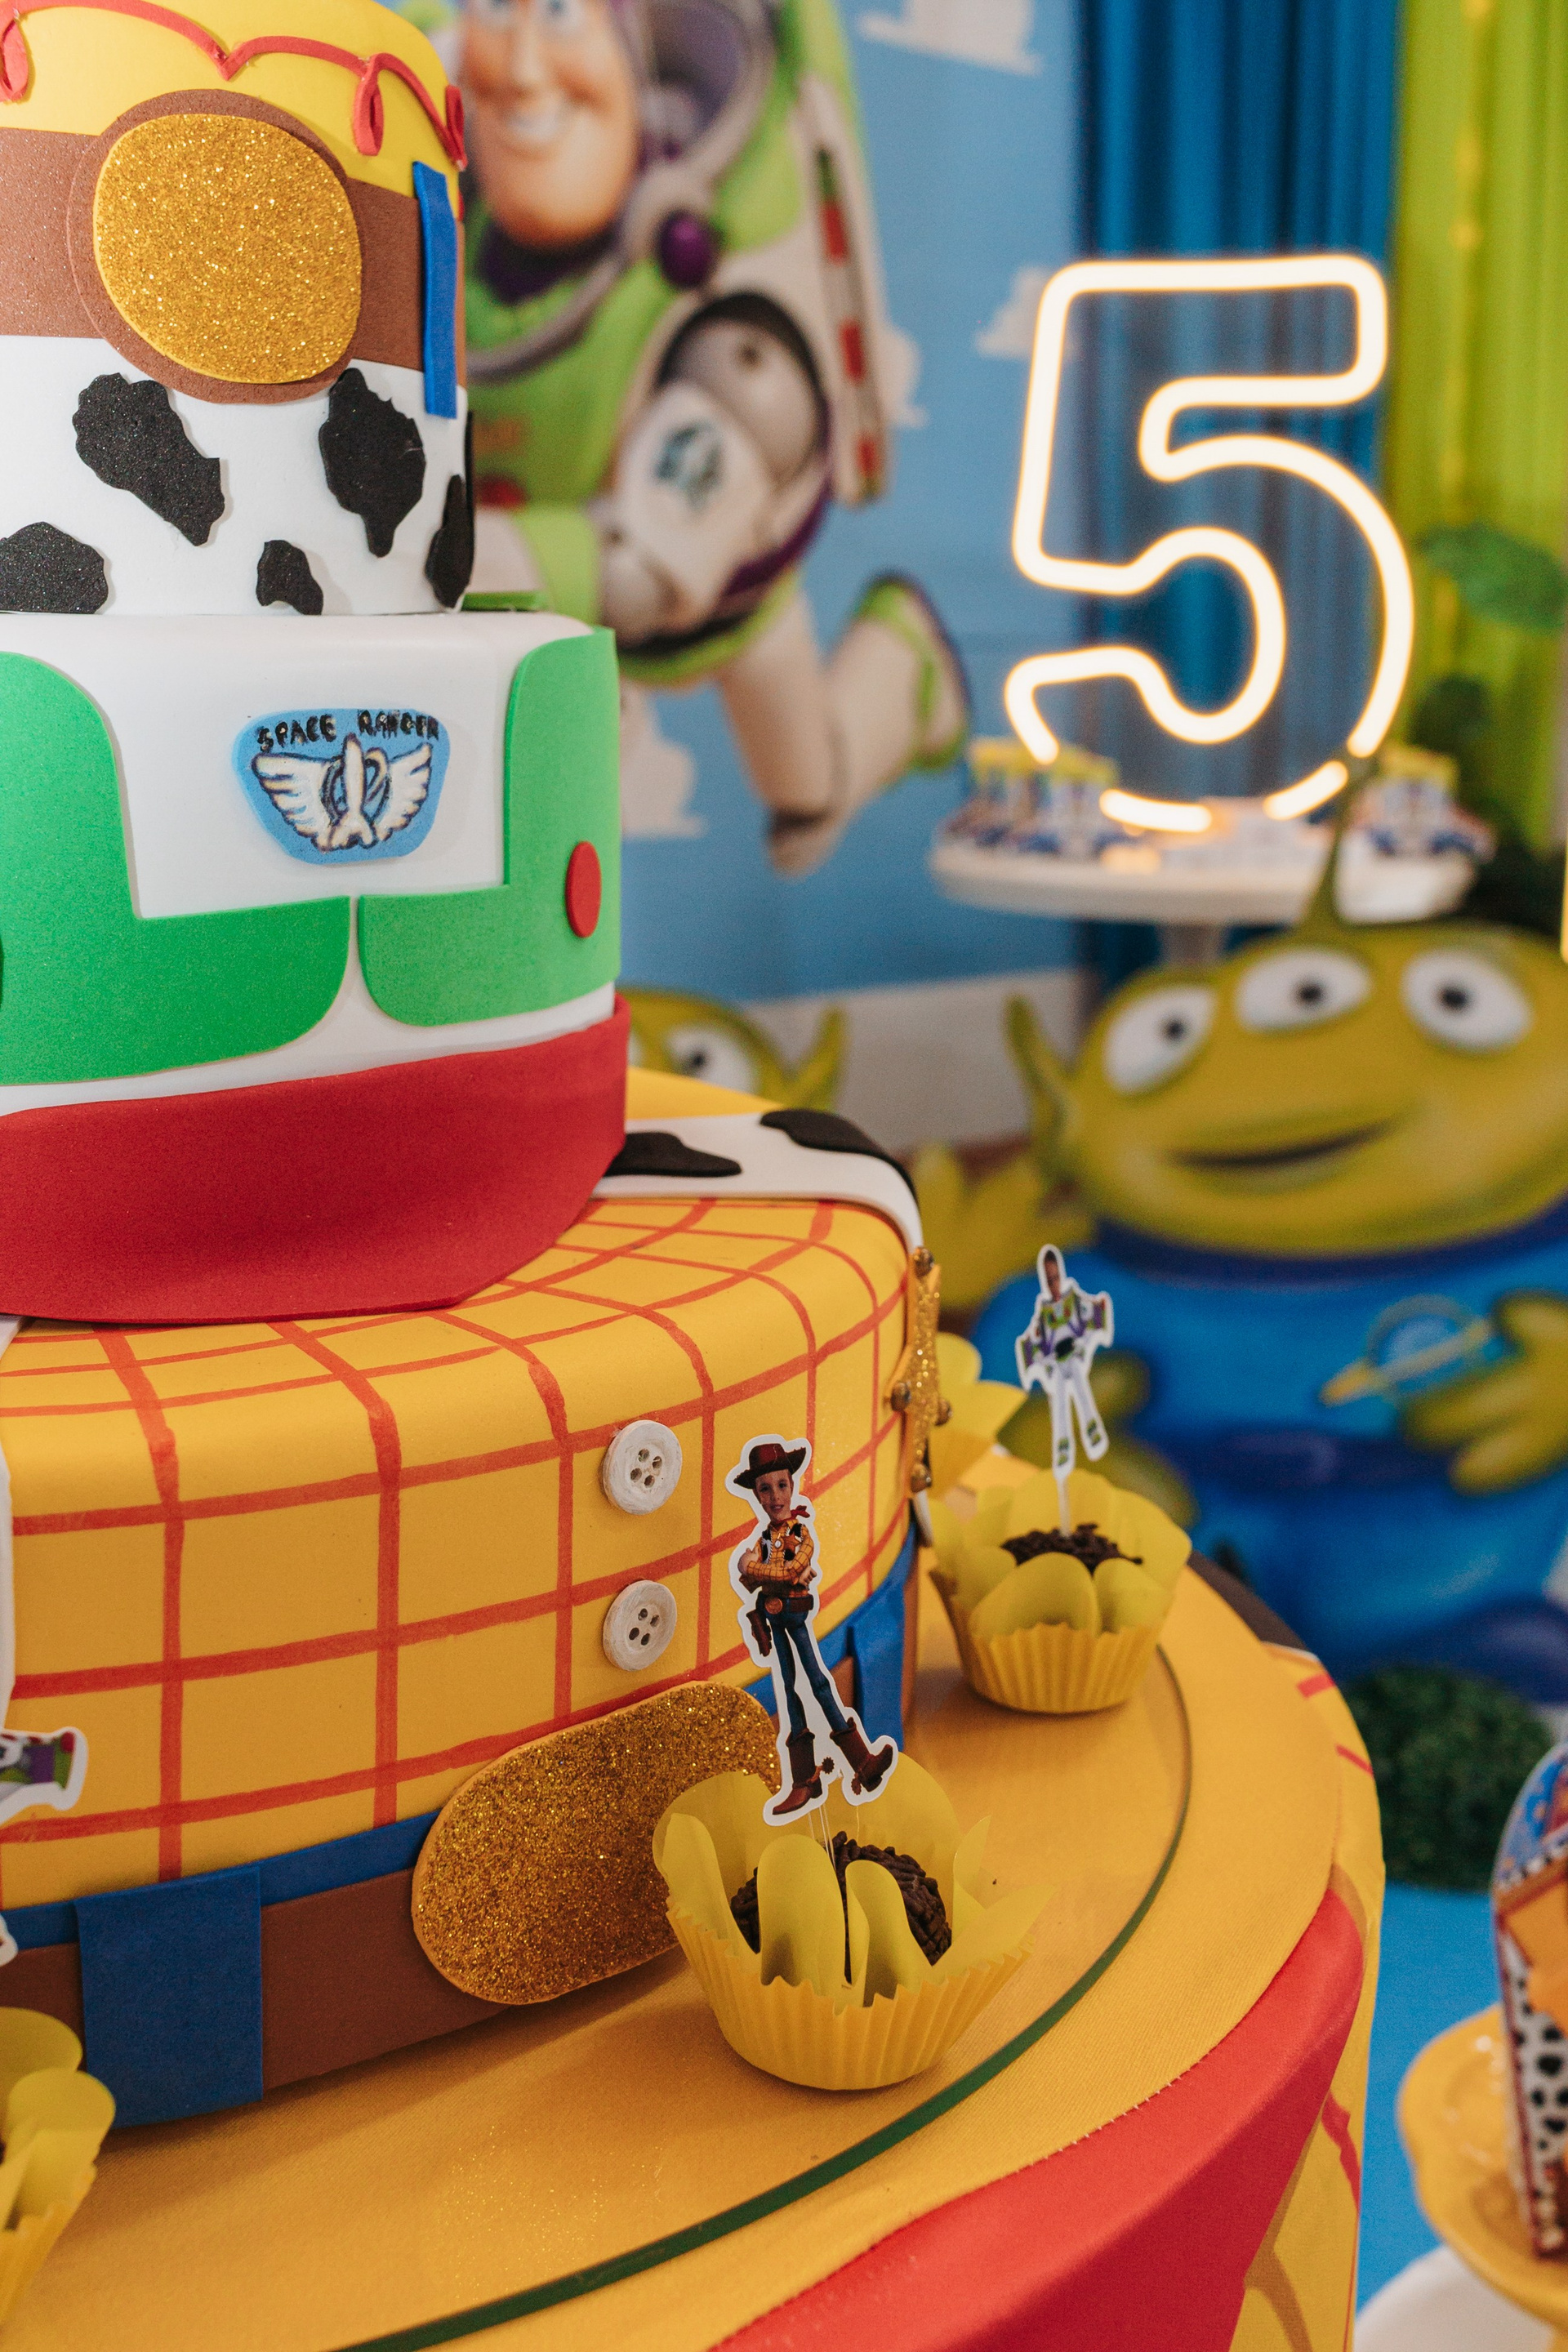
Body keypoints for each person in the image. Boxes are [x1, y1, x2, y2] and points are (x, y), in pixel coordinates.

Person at [458, 0, 968, 873]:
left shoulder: (727, 345)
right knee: (545, 826)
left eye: (560, 15)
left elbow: (638, 575)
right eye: (497, 13)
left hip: (724, 614)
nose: (523, 65)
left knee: (806, 806)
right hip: (561, 643)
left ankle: (907, 663)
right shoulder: (465, 281)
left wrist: (465, 558)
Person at [728, 1437, 896, 1820]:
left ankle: (862, 1762)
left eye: (781, 1485)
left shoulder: (800, 1533)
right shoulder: (764, 1539)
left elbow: (789, 1571)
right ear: (756, 1495)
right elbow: (753, 1582)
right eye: (765, 1489)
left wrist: (753, 1567)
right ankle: (804, 1780)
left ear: (793, 1484)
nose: (775, 1496)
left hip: (795, 1613)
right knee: (787, 1691)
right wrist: (756, 1572)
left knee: (818, 1681)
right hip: (773, 1618)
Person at [1014, 1245, 1113, 1482]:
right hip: (1057, 1362)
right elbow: (1037, 1342)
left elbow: (1090, 1314)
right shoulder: (1044, 1313)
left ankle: (1092, 1430)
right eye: (1049, 1280)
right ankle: (1062, 1446)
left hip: (1074, 1356)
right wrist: (1037, 1353)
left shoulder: (1074, 1300)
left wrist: (1098, 1309)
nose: (1054, 1284)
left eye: (1056, 1278)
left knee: (1082, 1390)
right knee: (1059, 1402)